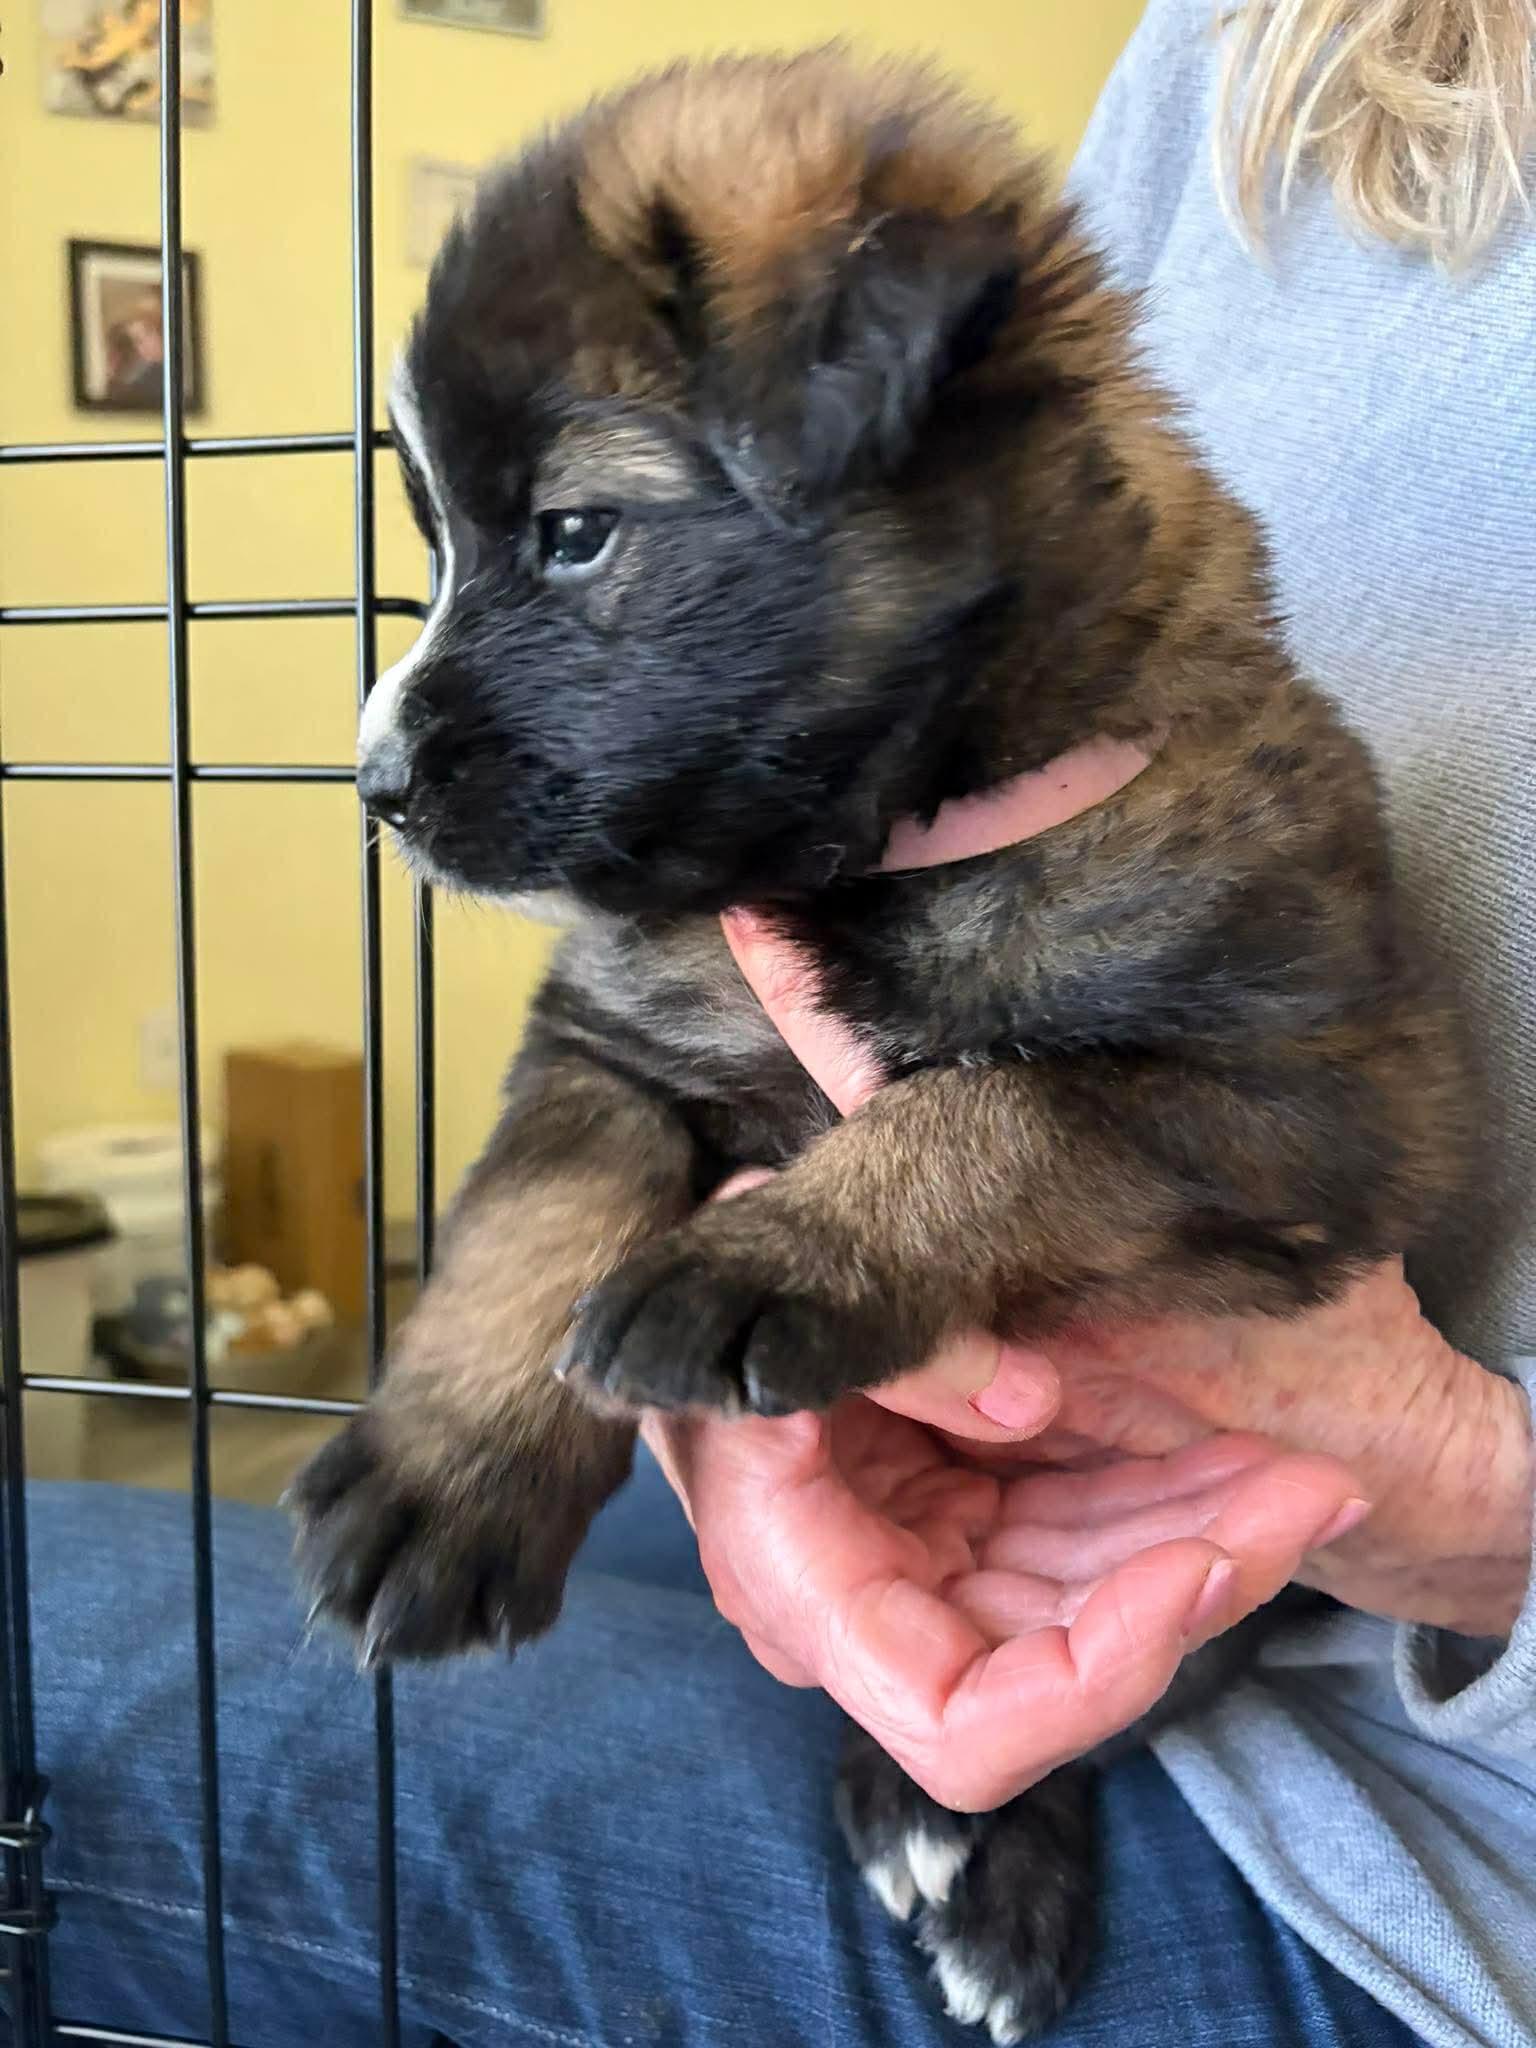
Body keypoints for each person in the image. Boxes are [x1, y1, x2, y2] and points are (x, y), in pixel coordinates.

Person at [18, 1, 1534, 2043]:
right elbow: (621, 1065)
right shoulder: (1264, 43)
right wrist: (494, 1407)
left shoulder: (1200, 811)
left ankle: (1001, 1795)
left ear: (888, 397)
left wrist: (871, 1231)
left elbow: (1254, 1123)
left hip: (1394, 1815)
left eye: (568, 536)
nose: (406, 719)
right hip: (911, 1523)